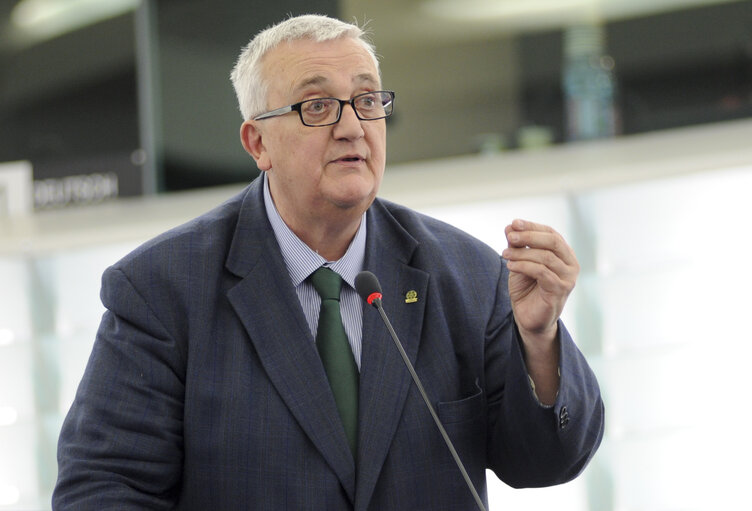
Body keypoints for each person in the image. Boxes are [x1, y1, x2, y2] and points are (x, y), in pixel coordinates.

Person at [53, 14, 603, 510]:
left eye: (367, 101)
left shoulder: (465, 272)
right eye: (317, 107)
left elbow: (543, 464)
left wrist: (539, 341)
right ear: (257, 143)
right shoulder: (161, 290)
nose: (351, 127)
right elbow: (103, 490)